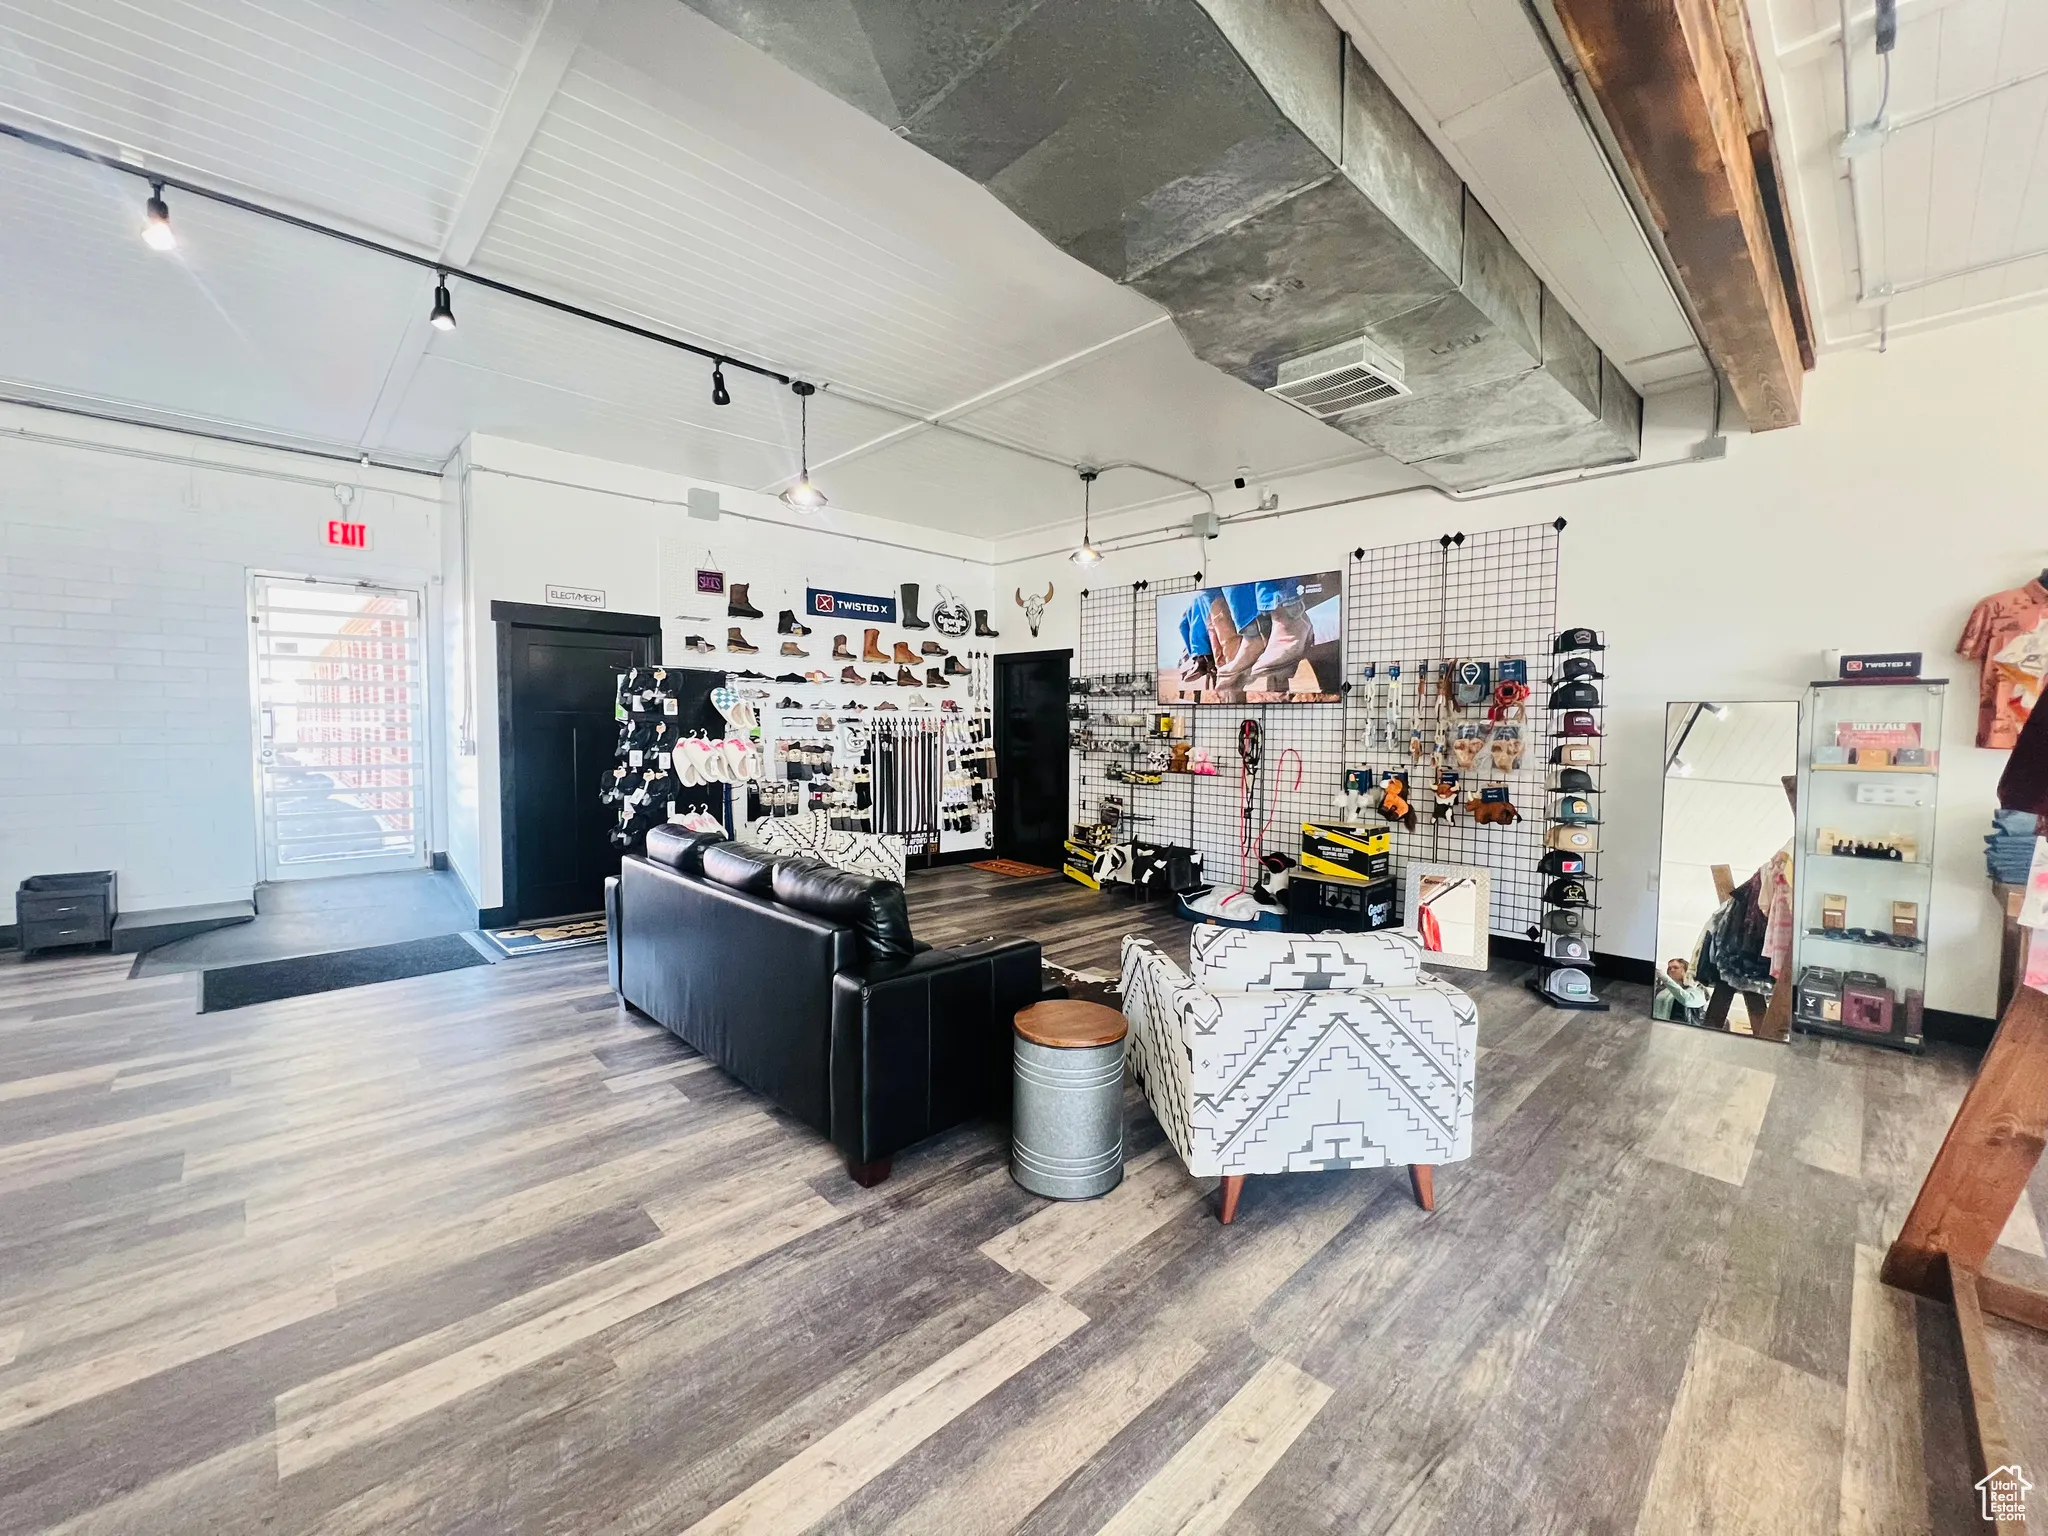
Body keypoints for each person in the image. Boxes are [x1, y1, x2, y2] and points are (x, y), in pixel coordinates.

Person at [1653, 958, 1708, 1024]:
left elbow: (1687, 1000)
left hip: (1682, 1027)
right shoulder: (1663, 989)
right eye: (1669, 968)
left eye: (1676, 967)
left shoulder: (1697, 988)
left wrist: (1664, 978)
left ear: (1686, 970)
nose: (1672, 970)